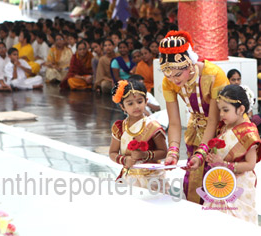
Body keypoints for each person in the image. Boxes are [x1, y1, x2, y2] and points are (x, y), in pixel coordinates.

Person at [159, 31, 229, 204]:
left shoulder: (213, 74)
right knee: (193, 182)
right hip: (196, 128)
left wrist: (202, 152)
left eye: (177, 75)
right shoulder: (168, 82)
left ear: (190, 65)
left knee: (218, 181)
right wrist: (173, 152)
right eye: (168, 75)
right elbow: (174, 122)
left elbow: (214, 120)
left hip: (223, 129)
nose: (173, 80)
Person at [200, 84, 258, 223]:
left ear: (241, 109)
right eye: (220, 110)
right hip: (221, 179)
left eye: (225, 110)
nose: (221, 114)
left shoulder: (248, 133)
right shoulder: (225, 126)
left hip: (240, 184)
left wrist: (224, 164)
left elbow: (250, 165)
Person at [108, 80, 168, 191]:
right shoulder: (120, 127)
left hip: (153, 178)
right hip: (129, 177)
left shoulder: (153, 126)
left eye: (139, 102)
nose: (136, 106)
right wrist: (124, 160)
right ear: (122, 107)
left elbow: (164, 152)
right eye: (130, 103)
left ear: (146, 101)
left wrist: (145, 154)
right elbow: (112, 153)